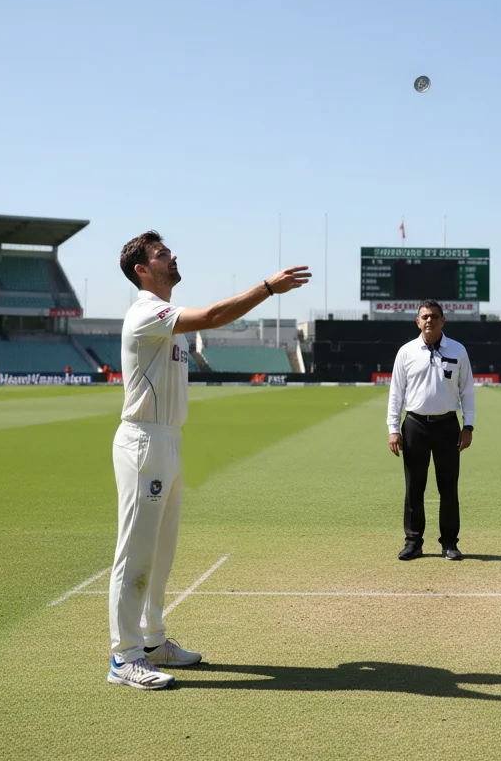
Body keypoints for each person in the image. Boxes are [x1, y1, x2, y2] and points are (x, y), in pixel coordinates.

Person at [108, 230, 310, 690]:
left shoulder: (165, 316)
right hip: (142, 441)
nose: (172, 257)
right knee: (135, 553)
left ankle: (153, 640)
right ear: (142, 270)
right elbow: (216, 315)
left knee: (161, 553)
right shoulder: (146, 311)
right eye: (162, 255)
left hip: (168, 441)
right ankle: (124, 656)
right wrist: (266, 289)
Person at [386, 300, 475, 561]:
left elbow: (467, 391)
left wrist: (468, 426)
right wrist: (393, 428)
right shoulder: (406, 351)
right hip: (415, 425)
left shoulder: (458, 350)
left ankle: (449, 543)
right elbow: (396, 393)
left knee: (448, 487)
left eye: (434, 316)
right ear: (417, 321)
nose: (429, 321)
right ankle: (413, 542)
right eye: (424, 317)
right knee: (414, 487)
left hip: (448, 425)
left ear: (443, 320)